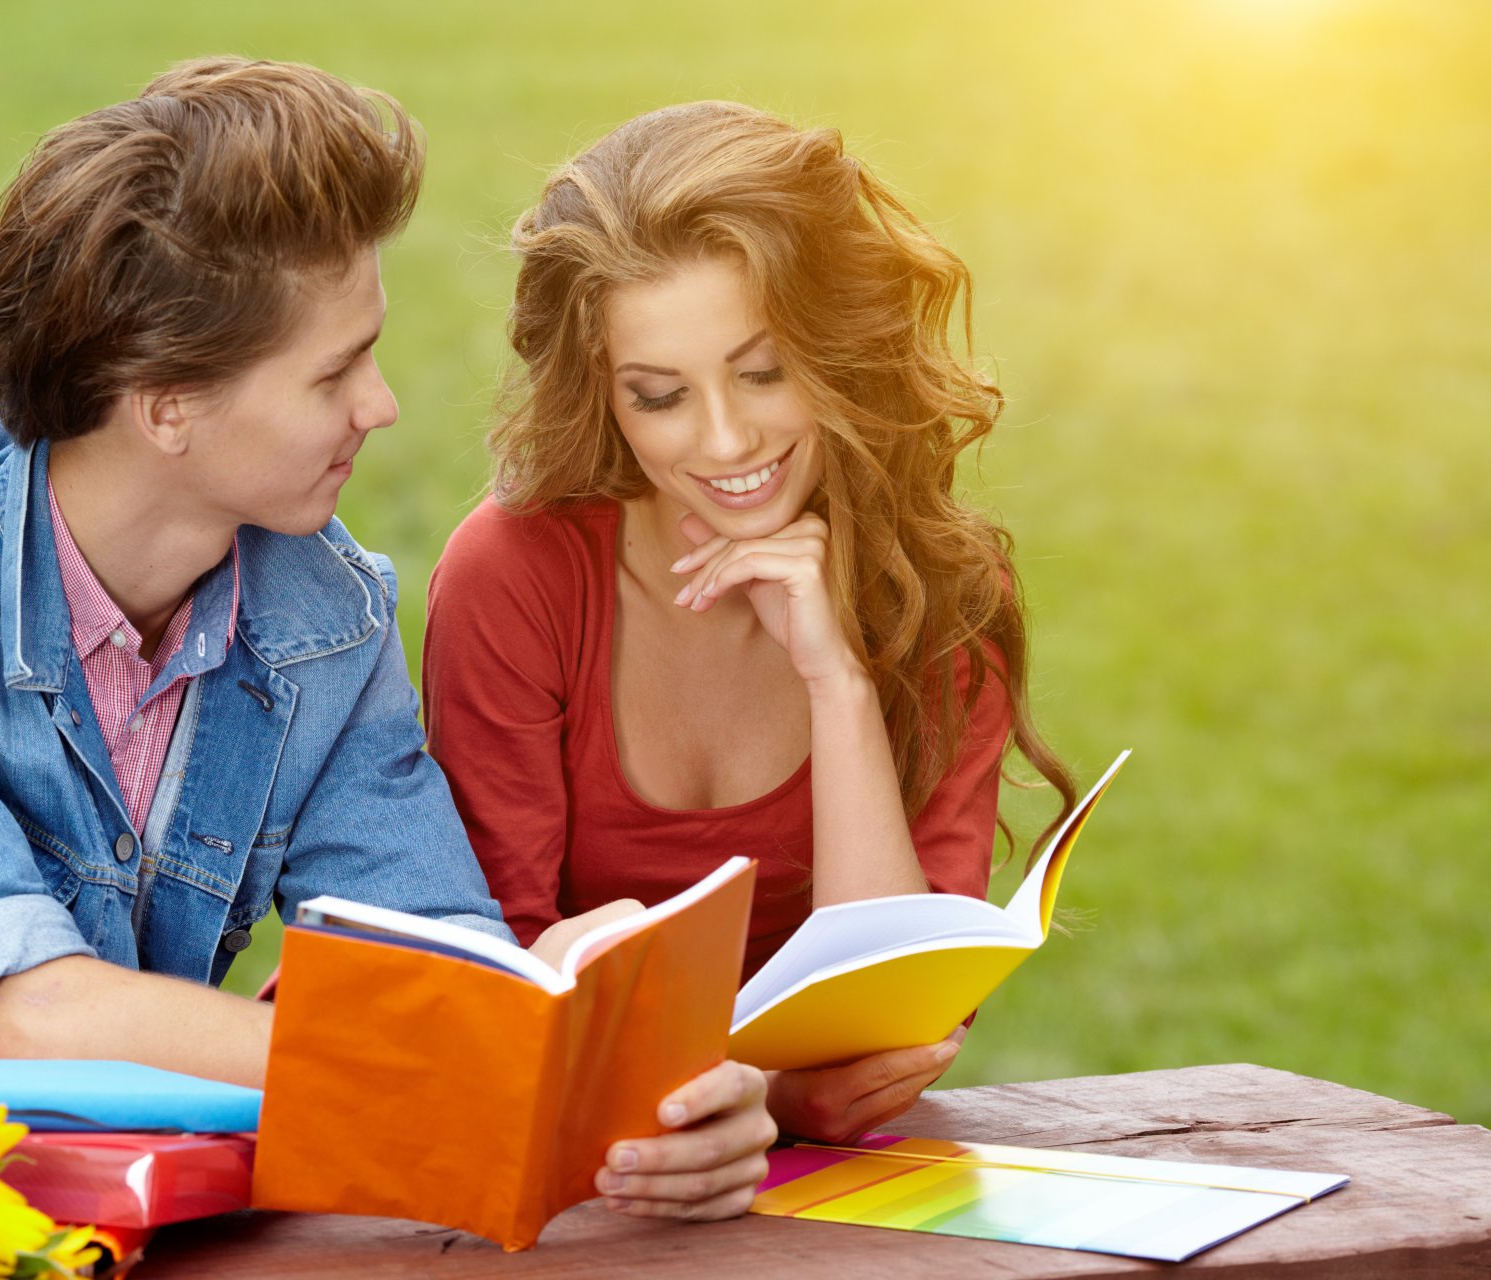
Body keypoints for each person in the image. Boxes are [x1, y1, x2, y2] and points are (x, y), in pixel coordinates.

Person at [0, 59, 775, 1221]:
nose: (383, 404)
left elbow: (438, 975)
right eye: (335, 371)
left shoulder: (320, 609)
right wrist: (432, 1051)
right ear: (165, 406)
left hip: (72, 1227)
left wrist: (601, 1060)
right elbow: (17, 1014)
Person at [423, 101, 1077, 1147]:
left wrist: (839, 685)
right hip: (569, 1164)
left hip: (834, 1201)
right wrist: (767, 1096)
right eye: (659, 395)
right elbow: (493, 973)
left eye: (763, 372)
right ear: (604, 392)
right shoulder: (516, 574)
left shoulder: (941, 590)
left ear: (838, 344)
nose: (726, 439)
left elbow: (899, 1014)